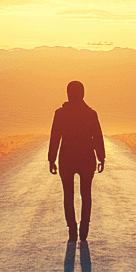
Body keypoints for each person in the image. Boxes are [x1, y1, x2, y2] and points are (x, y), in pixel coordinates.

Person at [48, 80, 105, 242]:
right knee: (86, 194)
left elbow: (55, 137)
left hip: (66, 158)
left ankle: (72, 230)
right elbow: (97, 137)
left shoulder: (60, 114)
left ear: (68, 93)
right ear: (83, 93)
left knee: (68, 195)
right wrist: (101, 157)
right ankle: (84, 229)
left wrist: (52, 159)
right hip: (87, 158)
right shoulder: (91, 114)